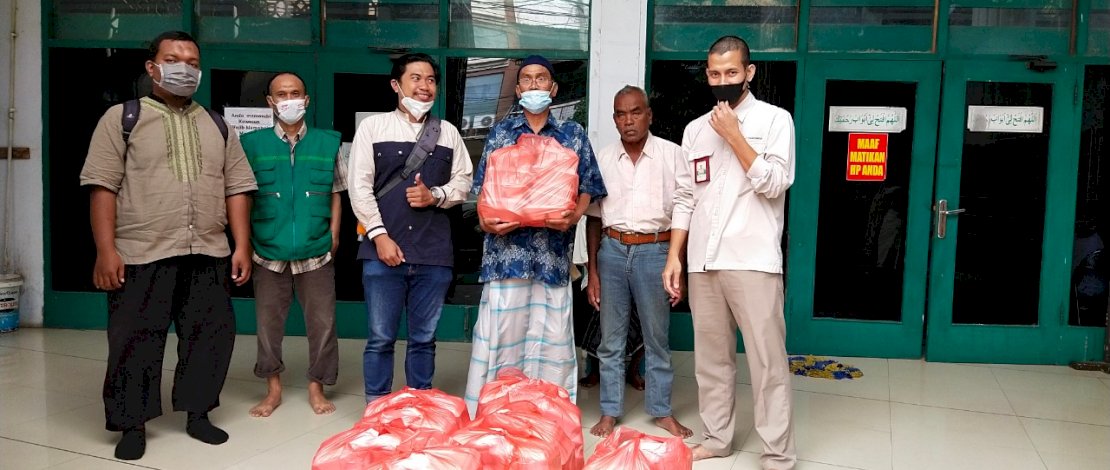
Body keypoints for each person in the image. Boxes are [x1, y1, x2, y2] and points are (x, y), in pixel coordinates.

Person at [80, 31, 257, 460]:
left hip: (208, 252)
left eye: (192, 61)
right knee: (135, 340)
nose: (185, 67)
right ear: (152, 67)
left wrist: (241, 245)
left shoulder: (217, 124)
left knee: (209, 337)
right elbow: (102, 186)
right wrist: (107, 251)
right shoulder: (123, 118)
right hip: (142, 252)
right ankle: (131, 424)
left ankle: (198, 414)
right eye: (173, 58)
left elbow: (237, 187)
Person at [662, 35, 796, 468]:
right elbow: (685, 196)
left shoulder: (776, 120)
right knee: (712, 361)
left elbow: (775, 183)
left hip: (752, 260)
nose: (723, 81)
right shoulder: (695, 130)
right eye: (715, 74)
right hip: (703, 261)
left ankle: (777, 452)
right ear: (707, 75)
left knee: (767, 363)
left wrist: (735, 136)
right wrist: (674, 256)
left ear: (749, 73)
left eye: (732, 73)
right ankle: (717, 437)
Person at [464, 55, 607, 415]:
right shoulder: (500, 134)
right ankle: (497, 409)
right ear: (517, 89)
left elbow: (588, 185)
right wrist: (486, 219)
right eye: (526, 79)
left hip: (551, 256)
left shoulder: (573, 135)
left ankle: (548, 413)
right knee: (503, 334)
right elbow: (482, 191)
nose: (533, 85)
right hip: (505, 255)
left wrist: (572, 216)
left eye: (540, 79)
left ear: (553, 88)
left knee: (551, 337)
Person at [349, 53, 473, 403]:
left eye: (431, 79)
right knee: (380, 338)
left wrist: (435, 195)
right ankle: (377, 408)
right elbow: (359, 187)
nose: (424, 86)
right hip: (382, 251)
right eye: (415, 78)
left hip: (433, 253)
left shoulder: (447, 132)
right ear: (396, 85)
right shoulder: (373, 128)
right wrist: (379, 236)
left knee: (423, 338)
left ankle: (419, 406)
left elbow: (464, 182)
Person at [586, 85, 693, 439]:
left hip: (655, 252)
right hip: (612, 251)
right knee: (610, 340)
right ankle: (609, 411)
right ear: (614, 119)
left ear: (649, 115)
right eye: (620, 114)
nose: (628, 120)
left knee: (657, 338)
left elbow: (683, 212)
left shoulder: (672, 155)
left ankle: (662, 411)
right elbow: (594, 218)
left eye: (635, 112)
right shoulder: (602, 158)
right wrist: (594, 273)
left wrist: (677, 264)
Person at [240, 72, 345, 417]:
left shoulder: (328, 143)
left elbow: (335, 194)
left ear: (306, 99)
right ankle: (273, 390)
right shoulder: (250, 144)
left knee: (323, 324)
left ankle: (317, 386)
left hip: (316, 252)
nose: (289, 99)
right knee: (268, 327)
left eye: (295, 93)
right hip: (268, 251)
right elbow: (241, 197)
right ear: (270, 102)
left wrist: (334, 236)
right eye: (281, 94)